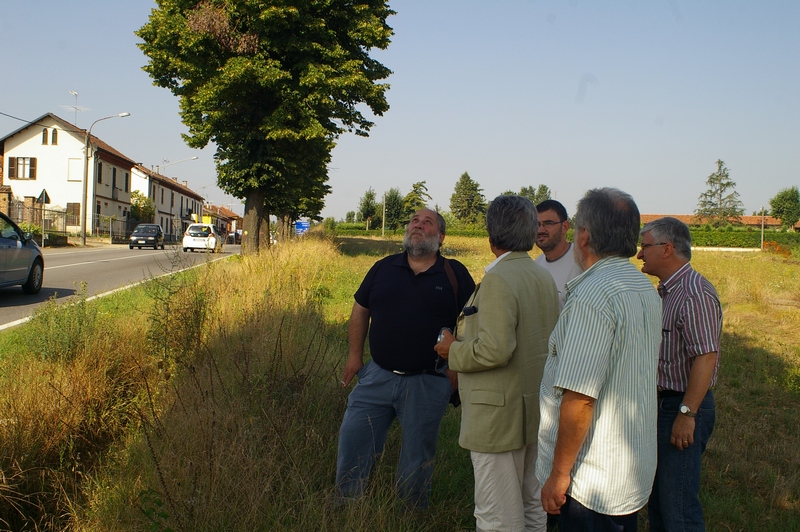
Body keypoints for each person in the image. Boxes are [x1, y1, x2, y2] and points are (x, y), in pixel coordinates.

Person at [536, 187, 662, 530]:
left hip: (590, 482)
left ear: (584, 236)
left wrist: (559, 476)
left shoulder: (592, 296)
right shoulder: (641, 287)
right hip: (627, 470)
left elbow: (580, 398)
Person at [335, 208, 475, 509]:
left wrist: (457, 369)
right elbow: (361, 309)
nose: (418, 226)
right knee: (353, 438)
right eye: (414, 221)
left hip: (428, 381)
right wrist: (355, 357)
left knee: (417, 456)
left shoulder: (454, 274)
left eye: (427, 223)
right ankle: (346, 505)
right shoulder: (383, 268)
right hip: (377, 376)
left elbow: (472, 323)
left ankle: (410, 514)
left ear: (440, 236)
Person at [434, 195, 559, 532]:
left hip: (499, 417)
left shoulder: (500, 280)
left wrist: (451, 351)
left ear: (490, 235)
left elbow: (496, 349)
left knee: (496, 515)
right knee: (532, 505)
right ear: (532, 232)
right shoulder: (540, 275)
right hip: (532, 407)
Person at [638, 217, 722, 532]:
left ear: (667, 248)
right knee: (660, 504)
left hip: (681, 406)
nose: (639, 254)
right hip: (665, 406)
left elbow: (706, 356)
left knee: (678, 510)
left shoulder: (693, 292)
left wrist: (687, 413)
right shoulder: (667, 291)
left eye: (645, 246)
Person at [534, 199, 583, 310]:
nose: (541, 230)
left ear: (565, 227)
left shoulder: (581, 262)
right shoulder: (537, 264)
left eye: (548, 223)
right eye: (536, 224)